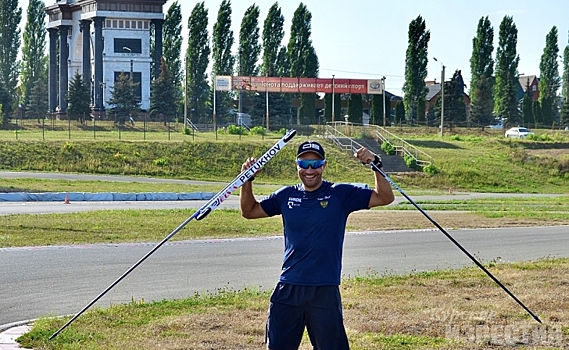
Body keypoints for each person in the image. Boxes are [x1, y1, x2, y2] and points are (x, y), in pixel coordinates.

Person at [240, 140, 395, 350]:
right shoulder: (285, 196)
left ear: (324, 165)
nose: (310, 170)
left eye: (316, 164)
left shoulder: (340, 194)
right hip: (289, 288)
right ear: (297, 165)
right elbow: (249, 211)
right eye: (304, 164)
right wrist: (246, 180)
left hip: (324, 290)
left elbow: (385, 197)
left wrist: (376, 163)